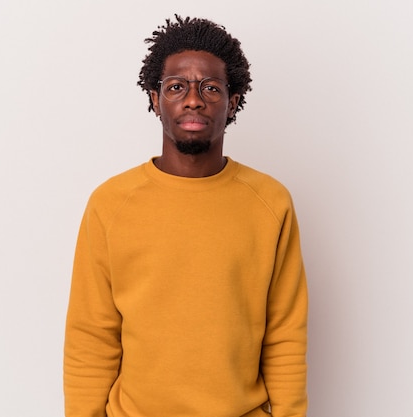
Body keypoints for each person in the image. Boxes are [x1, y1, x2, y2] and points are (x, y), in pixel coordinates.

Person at [63, 15, 308, 417]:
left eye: (210, 87)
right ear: (157, 99)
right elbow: (91, 335)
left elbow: (285, 334)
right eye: (177, 86)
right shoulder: (111, 203)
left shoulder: (269, 202)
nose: (193, 99)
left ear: (232, 101)